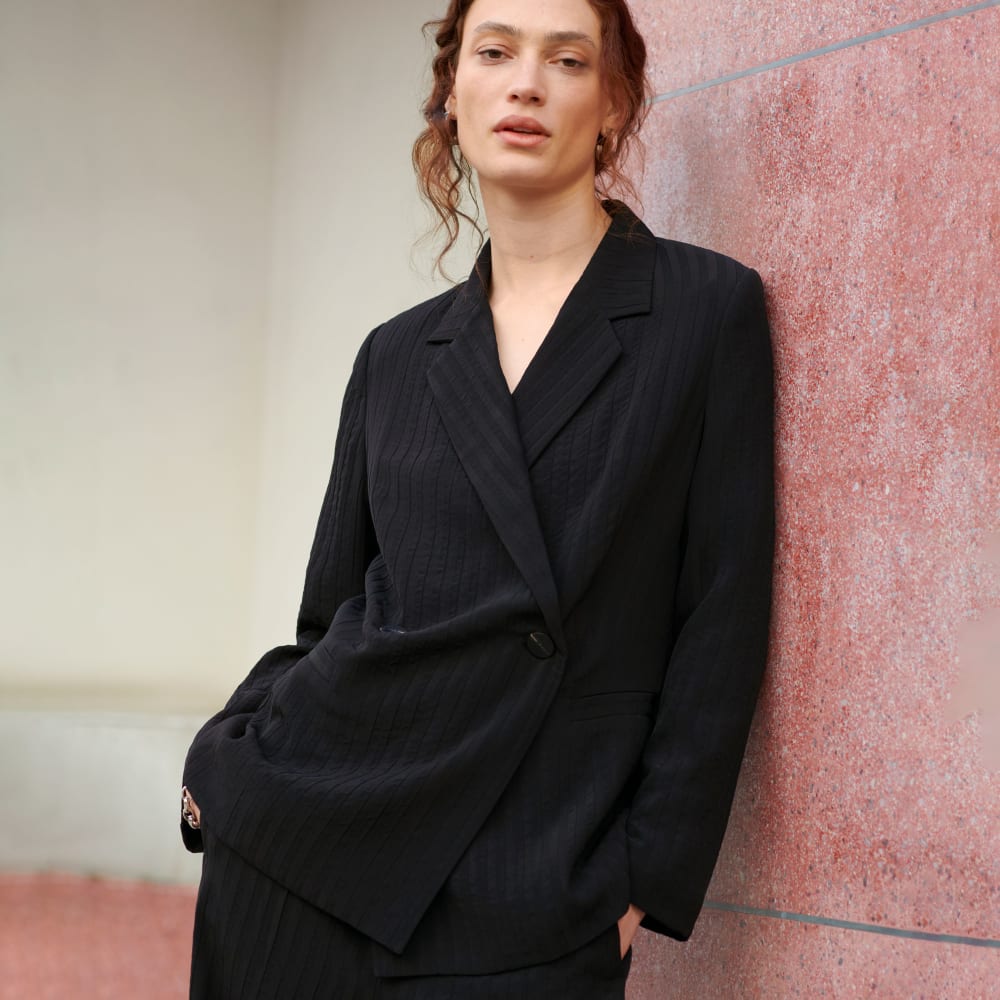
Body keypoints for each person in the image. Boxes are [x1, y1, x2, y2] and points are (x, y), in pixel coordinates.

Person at [180, 0, 775, 996]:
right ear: (452, 93)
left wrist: (640, 884)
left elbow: (722, 613)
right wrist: (223, 766)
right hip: (303, 850)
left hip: (534, 878)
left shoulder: (702, 310)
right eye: (494, 52)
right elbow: (330, 618)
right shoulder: (396, 354)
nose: (526, 83)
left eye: (567, 59)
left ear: (614, 103)